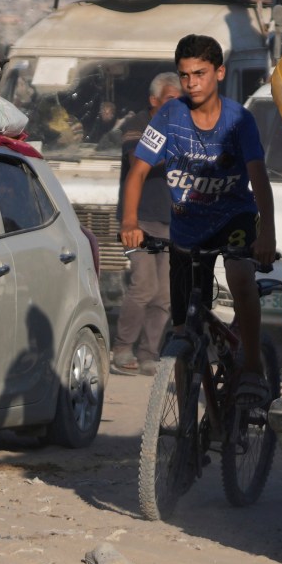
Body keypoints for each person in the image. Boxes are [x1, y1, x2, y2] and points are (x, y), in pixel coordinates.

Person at [120, 35, 278, 403]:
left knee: (240, 277)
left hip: (234, 217)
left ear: (219, 73)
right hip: (187, 226)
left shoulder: (240, 120)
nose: (191, 83)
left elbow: (259, 179)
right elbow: (138, 171)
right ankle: (186, 419)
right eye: (185, 75)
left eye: (200, 73)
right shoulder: (170, 115)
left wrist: (266, 234)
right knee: (182, 328)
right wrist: (130, 222)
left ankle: (252, 367)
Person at [111, 72, 183, 375]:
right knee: (143, 286)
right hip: (137, 220)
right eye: (170, 100)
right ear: (154, 101)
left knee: (165, 293)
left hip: (171, 221)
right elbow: (139, 160)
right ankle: (122, 348)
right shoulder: (138, 124)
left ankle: (149, 353)